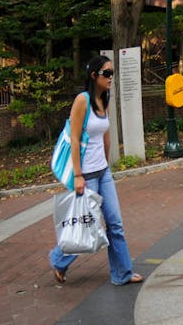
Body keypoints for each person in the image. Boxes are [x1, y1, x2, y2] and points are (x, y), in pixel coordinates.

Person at [49, 55, 143, 286]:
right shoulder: (82, 100)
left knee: (115, 223)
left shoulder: (104, 100)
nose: (111, 78)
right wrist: (78, 175)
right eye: (107, 73)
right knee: (87, 226)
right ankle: (58, 260)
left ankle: (122, 273)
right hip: (86, 175)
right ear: (94, 75)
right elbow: (74, 137)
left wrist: (107, 164)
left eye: (112, 73)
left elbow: (106, 135)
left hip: (103, 173)